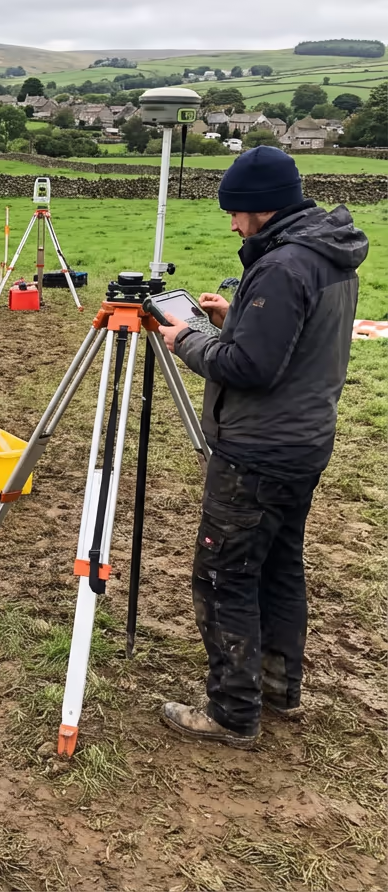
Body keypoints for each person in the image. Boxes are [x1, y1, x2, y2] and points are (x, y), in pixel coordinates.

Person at [156, 146, 368, 749]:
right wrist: (237, 318)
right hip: (303, 442)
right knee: (277, 567)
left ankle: (231, 712)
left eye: (236, 212)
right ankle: (277, 686)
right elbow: (286, 343)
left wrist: (187, 337)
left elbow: (249, 366)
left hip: (257, 450)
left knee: (225, 575)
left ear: (261, 207)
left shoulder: (283, 267)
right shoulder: (326, 254)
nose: (232, 224)